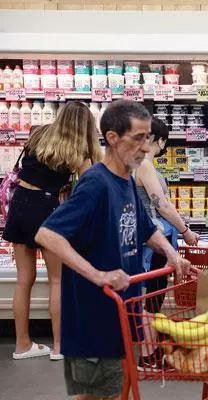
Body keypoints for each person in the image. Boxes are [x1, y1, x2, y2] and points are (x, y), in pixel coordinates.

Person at [35, 100, 191, 400]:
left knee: (116, 389)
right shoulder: (96, 183)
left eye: (147, 138)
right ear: (112, 138)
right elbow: (48, 234)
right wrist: (99, 275)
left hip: (121, 310)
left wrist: (173, 255)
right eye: (137, 138)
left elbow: (146, 229)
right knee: (95, 395)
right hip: (94, 316)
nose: (145, 147)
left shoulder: (126, 181)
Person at [4, 101, 102, 361]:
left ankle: (22, 345)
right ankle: (60, 346)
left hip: (19, 204)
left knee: (25, 279)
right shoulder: (79, 149)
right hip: (46, 209)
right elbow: (91, 187)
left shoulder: (38, 133)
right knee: (58, 280)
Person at [134, 117, 199, 369]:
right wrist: (186, 230)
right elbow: (161, 205)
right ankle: (148, 356)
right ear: (158, 140)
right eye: (164, 143)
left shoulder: (133, 163)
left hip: (150, 239)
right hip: (155, 241)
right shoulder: (145, 166)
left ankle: (150, 348)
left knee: (150, 296)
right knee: (152, 297)